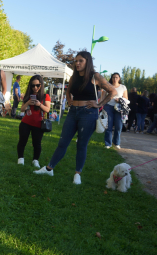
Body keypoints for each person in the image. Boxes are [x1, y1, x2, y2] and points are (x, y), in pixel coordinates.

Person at [34, 51, 117, 184]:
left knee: (81, 144)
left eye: (80, 61)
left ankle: (77, 174)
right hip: (73, 112)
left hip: (88, 113)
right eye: (76, 61)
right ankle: (49, 169)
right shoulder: (74, 76)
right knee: (63, 142)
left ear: (87, 62)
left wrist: (99, 104)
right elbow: (68, 91)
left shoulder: (95, 76)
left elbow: (113, 91)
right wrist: (68, 99)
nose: (77, 63)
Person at [17, 75, 51, 168]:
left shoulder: (45, 96)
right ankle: (20, 158)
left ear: (41, 85)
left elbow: (47, 109)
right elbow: (22, 109)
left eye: (37, 85)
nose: (35, 88)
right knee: (22, 141)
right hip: (26, 123)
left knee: (37, 143)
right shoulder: (28, 96)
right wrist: (28, 102)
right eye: (33, 86)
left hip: (38, 124)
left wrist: (39, 104)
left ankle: (35, 160)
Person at [103, 73, 127, 149]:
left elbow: (126, 99)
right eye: (113, 77)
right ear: (111, 78)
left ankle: (116, 142)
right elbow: (103, 97)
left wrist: (120, 100)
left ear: (119, 78)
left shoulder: (123, 87)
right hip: (108, 107)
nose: (115, 79)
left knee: (119, 126)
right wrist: (99, 106)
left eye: (116, 77)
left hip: (119, 108)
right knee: (108, 126)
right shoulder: (107, 86)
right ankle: (108, 143)